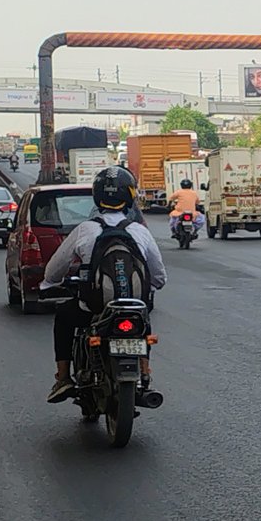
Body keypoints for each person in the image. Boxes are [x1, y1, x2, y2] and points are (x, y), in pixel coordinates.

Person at [41, 167, 167, 403]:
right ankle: (145, 374)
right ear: (130, 196)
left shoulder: (85, 229)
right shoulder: (139, 231)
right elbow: (159, 278)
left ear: (97, 196)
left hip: (93, 308)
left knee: (64, 316)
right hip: (133, 307)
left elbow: (53, 270)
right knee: (142, 322)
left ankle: (63, 378)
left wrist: (49, 284)